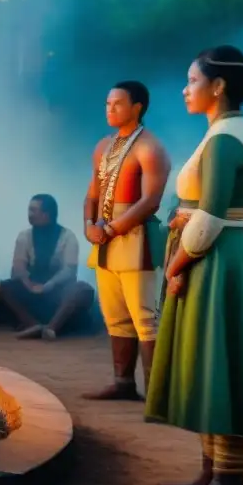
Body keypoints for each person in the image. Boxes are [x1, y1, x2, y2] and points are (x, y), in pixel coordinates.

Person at [148, 46, 243, 485]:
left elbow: (209, 218)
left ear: (218, 85)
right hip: (216, 257)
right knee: (212, 364)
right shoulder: (225, 133)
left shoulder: (226, 138)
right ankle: (211, 473)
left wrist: (176, 265)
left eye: (192, 80)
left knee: (221, 366)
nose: (186, 88)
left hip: (216, 258)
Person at [83, 80, 170, 400]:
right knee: (116, 317)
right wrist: (89, 225)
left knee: (146, 318)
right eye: (108, 103)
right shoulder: (103, 146)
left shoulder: (150, 147)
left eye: (118, 103)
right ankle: (123, 383)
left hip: (136, 241)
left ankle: (158, 394)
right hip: (105, 241)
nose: (110, 109)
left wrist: (110, 228)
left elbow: (151, 201)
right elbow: (91, 193)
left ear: (138, 107)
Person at [0, 194, 95, 340]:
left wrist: (48, 285)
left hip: (58, 292)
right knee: (4, 287)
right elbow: (18, 267)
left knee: (83, 289)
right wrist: (29, 284)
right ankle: (32, 325)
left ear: (46, 214)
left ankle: (51, 328)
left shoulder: (68, 237)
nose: (29, 215)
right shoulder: (24, 236)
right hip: (31, 290)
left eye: (33, 210)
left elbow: (69, 271)